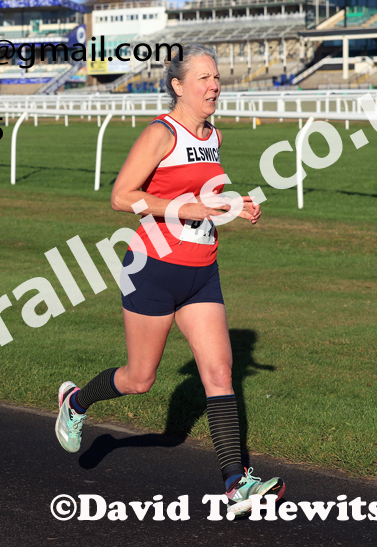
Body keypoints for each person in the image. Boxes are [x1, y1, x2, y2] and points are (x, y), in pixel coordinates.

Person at [55, 44, 285, 517]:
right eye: (203, 78)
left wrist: (234, 205)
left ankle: (235, 483)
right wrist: (182, 208)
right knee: (140, 379)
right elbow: (122, 197)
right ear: (178, 86)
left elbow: (205, 196)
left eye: (216, 77)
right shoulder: (162, 132)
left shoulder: (213, 135)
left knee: (220, 374)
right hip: (153, 269)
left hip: (203, 271)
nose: (214, 85)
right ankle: (76, 401)